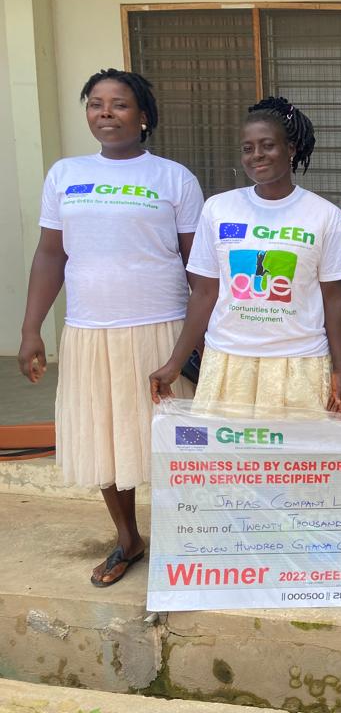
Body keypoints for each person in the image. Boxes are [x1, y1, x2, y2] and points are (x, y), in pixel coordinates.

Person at [18, 69, 203, 587]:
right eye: (95, 103)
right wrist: (31, 329)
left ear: (143, 116)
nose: (105, 112)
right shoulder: (65, 174)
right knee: (105, 438)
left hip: (162, 330)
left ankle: (190, 540)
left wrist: (205, 335)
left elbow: (199, 268)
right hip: (89, 331)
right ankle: (128, 539)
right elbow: (50, 255)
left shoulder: (173, 178)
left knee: (175, 441)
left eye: (119, 104)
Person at [150, 97, 341, 415]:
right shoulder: (218, 209)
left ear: (291, 148)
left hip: (299, 362)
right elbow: (204, 293)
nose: (256, 154)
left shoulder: (325, 216)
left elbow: (334, 297)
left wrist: (340, 368)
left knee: (296, 449)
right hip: (228, 359)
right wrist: (175, 363)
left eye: (267, 145)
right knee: (228, 448)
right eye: (248, 148)